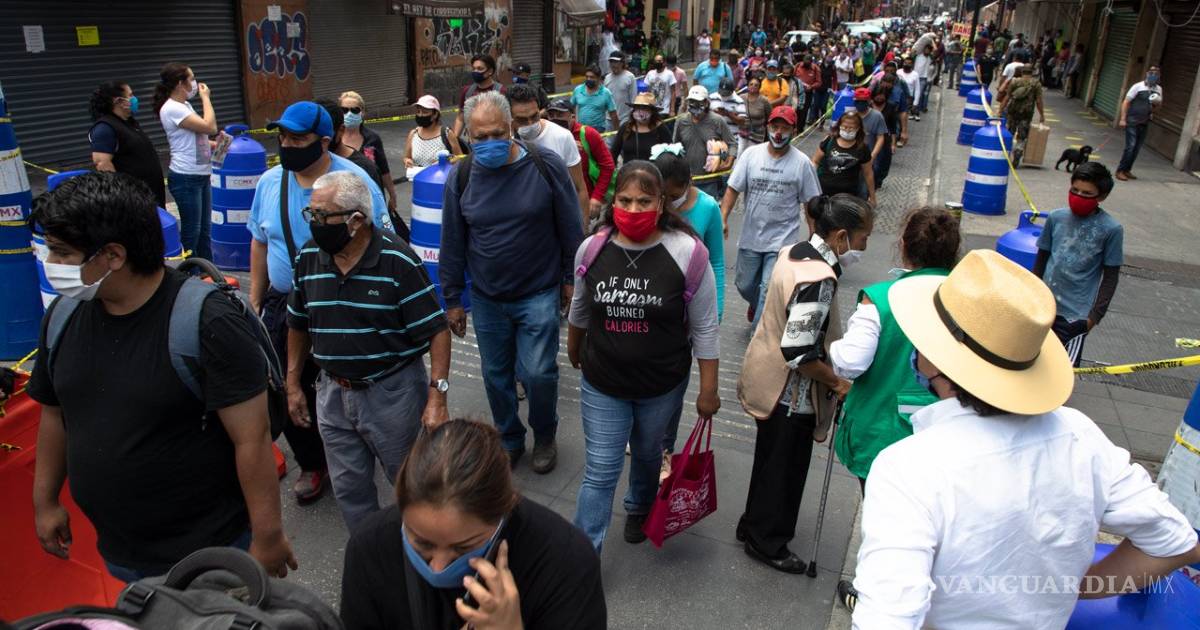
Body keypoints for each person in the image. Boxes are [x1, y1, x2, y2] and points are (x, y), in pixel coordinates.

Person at [849, 249, 1200, 627]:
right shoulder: (1082, 436)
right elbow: (1177, 544)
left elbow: (887, 619)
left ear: (935, 360)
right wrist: (1074, 588)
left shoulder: (908, 468)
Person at [28, 172, 296, 581]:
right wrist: (45, 501)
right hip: (119, 550)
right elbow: (54, 412)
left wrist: (268, 536)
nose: (52, 264)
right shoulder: (63, 317)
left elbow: (252, 438)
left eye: (62, 253)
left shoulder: (207, 322)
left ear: (113, 255)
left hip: (210, 554)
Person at [567, 160, 721, 551]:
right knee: (600, 471)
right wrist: (573, 347)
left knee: (649, 454)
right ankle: (583, 558)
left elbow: (705, 328)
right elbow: (580, 309)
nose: (633, 210)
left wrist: (708, 390)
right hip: (603, 384)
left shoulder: (689, 254)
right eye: (625, 200)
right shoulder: (593, 248)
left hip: (662, 386)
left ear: (662, 204)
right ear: (614, 201)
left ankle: (639, 504)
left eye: (644, 201)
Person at [286, 171, 450, 529]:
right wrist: (293, 383)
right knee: (350, 490)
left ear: (356, 220)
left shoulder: (398, 261)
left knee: (411, 486)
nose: (313, 224)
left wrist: (437, 397)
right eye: (310, 214)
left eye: (321, 216)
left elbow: (437, 331)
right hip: (331, 393)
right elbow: (297, 323)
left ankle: (423, 553)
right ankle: (370, 554)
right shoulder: (309, 257)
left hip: (392, 394)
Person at [248, 101, 392, 504]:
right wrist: (256, 299)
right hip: (283, 305)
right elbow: (259, 241)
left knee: (353, 385)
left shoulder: (354, 181)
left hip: (341, 304)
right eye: (282, 137)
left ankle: (365, 447)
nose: (287, 145)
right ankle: (313, 463)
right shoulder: (269, 182)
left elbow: (382, 242)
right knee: (288, 386)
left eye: (298, 138)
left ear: (324, 141)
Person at [339, 419, 606, 629]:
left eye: (463, 549)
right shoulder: (371, 546)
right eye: (422, 543)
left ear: (503, 513)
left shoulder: (566, 562)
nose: (438, 568)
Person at [440, 91, 584, 473]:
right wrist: (452, 299)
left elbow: (571, 227)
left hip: (538, 292)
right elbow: (452, 240)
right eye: (479, 137)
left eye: (496, 134)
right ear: (467, 136)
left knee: (538, 373)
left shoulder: (544, 165)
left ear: (510, 128)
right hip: (487, 298)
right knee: (496, 376)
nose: (488, 142)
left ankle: (545, 434)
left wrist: (571, 279)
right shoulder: (462, 176)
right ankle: (509, 437)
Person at [736, 194, 873, 572]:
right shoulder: (818, 279)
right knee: (785, 468)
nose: (864, 247)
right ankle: (767, 541)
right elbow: (799, 352)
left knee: (768, 460)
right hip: (791, 395)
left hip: (766, 379)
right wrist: (837, 382)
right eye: (862, 238)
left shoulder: (793, 251)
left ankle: (753, 524)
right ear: (841, 237)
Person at [829, 207, 959, 498]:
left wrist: (834, 346)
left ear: (903, 246)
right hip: (950, 432)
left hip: (882, 429)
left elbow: (850, 362)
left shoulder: (880, 299)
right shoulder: (969, 298)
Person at [721, 106, 823, 325]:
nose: (778, 132)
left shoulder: (802, 163)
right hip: (751, 236)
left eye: (784, 128)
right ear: (768, 127)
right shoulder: (751, 155)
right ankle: (756, 303)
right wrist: (724, 217)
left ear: (794, 131)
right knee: (744, 284)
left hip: (782, 240)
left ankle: (759, 336)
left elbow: (811, 202)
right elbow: (733, 188)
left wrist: (814, 233)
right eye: (775, 126)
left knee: (768, 289)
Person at [1033, 163, 1122, 367]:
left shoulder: (1112, 229)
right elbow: (1041, 259)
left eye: (1087, 193)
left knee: (1062, 371)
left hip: (1074, 317)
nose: (1078, 196)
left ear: (1102, 196)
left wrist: (1093, 318)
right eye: (1075, 190)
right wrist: (1032, 294)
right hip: (1042, 307)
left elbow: (1111, 277)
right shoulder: (1056, 218)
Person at [654, 145, 726, 320]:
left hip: (694, 296)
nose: (668, 203)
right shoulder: (651, 205)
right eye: (663, 196)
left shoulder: (708, 207)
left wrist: (717, 309)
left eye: (674, 197)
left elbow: (716, 262)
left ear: (689, 182)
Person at [154, 61, 216, 261]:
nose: (195, 83)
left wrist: (214, 144)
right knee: (192, 231)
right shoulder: (172, 108)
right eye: (192, 78)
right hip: (186, 176)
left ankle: (207, 269)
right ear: (181, 83)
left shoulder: (184, 106)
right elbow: (209, 126)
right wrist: (206, 98)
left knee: (205, 229)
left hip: (200, 174)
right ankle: (190, 270)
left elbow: (194, 136)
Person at [511, 89, 592, 225]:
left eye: (534, 116)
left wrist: (583, 227)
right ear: (510, 118)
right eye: (522, 120)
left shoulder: (562, 136)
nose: (530, 123)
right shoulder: (504, 141)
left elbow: (579, 187)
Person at [88, 81, 165, 208]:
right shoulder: (105, 128)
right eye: (130, 95)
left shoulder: (129, 122)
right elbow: (101, 163)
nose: (134, 98)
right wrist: (122, 195)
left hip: (151, 194)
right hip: (134, 199)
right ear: (118, 101)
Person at [546, 98, 617, 215]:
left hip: (586, 201)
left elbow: (608, 166)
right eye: (551, 115)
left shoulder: (588, 134)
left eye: (560, 115)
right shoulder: (545, 136)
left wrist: (597, 197)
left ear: (572, 116)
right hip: (559, 202)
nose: (555, 119)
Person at [338, 91, 398, 220]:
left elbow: (383, 169)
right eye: (344, 110)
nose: (349, 114)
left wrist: (392, 195)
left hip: (371, 198)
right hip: (342, 201)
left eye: (355, 110)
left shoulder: (372, 139)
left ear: (362, 112)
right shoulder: (334, 139)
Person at [672, 85, 737, 201]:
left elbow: (732, 143)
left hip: (710, 180)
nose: (694, 105)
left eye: (698, 102)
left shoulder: (717, 121)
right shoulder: (681, 121)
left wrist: (729, 162)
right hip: (688, 180)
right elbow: (675, 147)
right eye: (691, 101)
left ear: (706, 103)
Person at [812, 110, 875, 205]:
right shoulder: (829, 141)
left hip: (848, 197)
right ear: (839, 126)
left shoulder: (862, 148)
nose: (847, 130)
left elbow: (868, 173)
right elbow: (815, 161)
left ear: (858, 128)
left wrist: (872, 196)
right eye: (845, 127)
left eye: (851, 128)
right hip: (823, 192)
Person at [1117, 66, 1163, 181]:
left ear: (1159, 76)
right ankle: (1120, 170)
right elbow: (1126, 102)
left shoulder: (1158, 89)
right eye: (1151, 72)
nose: (1153, 75)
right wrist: (1123, 118)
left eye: (1156, 73)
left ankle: (1127, 170)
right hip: (1132, 121)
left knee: (1136, 148)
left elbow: (1158, 108)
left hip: (1144, 122)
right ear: (1147, 73)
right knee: (1131, 146)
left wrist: (1156, 105)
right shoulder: (1138, 86)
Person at [451, 53, 506, 147]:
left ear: (490, 71)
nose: (475, 72)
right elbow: (461, 117)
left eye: (480, 69)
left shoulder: (501, 91)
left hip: (496, 142)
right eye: (474, 68)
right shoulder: (467, 91)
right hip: (474, 143)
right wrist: (454, 140)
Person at [1000, 64, 1045, 167]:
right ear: (1032, 72)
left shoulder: (1015, 81)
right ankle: (1018, 153)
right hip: (1026, 114)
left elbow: (1007, 97)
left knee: (1009, 133)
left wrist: (1000, 110)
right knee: (1022, 137)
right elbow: (1038, 101)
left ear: (1022, 71)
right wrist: (1042, 115)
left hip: (1012, 112)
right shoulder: (1036, 84)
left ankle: (1005, 155)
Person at [404, 94, 461, 170]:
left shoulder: (447, 133)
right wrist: (407, 161)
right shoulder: (413, 134)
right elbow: (407, 157)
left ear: (435, 114)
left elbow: (460, 157)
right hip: (418, 176)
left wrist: (446, 161)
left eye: (425, 112)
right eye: (418, 111)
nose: (420, 115)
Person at [611, 93, 672, 163]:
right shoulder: (626, 127)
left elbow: (670, 154)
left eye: (645, 108)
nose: (641, 112)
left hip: (652, 169)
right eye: (638, 108)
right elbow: (614, 152)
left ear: (652, 111)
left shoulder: (660, 128)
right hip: (629, 169)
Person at [571, 65, 620, 132]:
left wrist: (617, 131)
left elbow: (613, 113)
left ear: (598, 78)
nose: (588, 79)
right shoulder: (578, 90)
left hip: (598, 129)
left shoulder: (606, 93)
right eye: (587, 77)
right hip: (582, 129)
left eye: (592, 77)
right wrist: (573, 124)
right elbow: (571, 107)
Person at [869, 83, 898, 189]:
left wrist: (893, 144)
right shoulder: (868, 106)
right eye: (878, 95)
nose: (880, 97)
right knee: (873, 163)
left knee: (884, 163)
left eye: (882, 95)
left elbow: (893, 127)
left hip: (885, 139)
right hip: (870, 138)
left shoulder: (891, 107)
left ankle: (878, 179)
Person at [709, 77, 749, 142]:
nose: (723, 95)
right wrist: (713, 113)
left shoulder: (739, 101)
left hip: (731, 136)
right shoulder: (712, 97)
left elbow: (742, 122)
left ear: (732, 91)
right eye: (721, 93)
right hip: (714, 136)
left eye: (726, 94)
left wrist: (728, 114)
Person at [604, 53, 637, 127]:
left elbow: (633, 99)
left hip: (625, 118)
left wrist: (632, 116)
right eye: (611, 62)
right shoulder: (607, 78)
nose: (613, 64)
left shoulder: (630, 77)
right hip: (609, 118)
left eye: (616, 62)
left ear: (622, 63)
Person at [740, 77, 771, 155]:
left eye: (756, 85)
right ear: (747, 86)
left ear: (759, 87)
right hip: (743, 131)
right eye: (751, 84)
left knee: (753, 153)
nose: (753, 86)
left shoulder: (764, 100)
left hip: (758, 133)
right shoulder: (741, 98)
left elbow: (769, 116)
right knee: (740, 152)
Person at [794, 55, 822, 127]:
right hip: (796, 92)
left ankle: (800, 128)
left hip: (807, 93)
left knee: (804, 111)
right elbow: (793, 76)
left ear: (811, 62)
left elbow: (819, 82)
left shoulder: (815, 69)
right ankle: (794, 127)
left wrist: (811, 86)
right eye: (805, 61)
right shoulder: (798, 66)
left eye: (808, 62)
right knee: (795, 109)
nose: (806, 62)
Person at [914, 44, 933, 114]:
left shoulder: (930, 58)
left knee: (920, 93)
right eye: (926, 49)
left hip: (924, 78)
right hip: (916, 76)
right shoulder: (918, 56)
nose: (927, 51)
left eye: (928, 50)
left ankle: (917, 108)